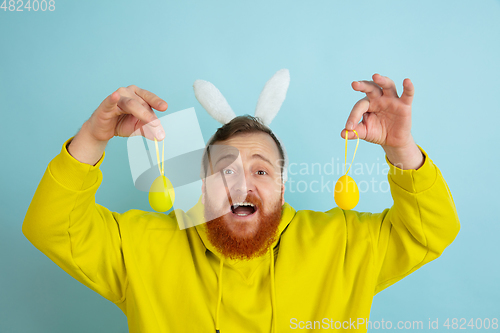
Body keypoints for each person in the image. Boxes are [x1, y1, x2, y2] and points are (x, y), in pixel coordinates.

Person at [23, 74, 460, 333]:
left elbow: (431, 230)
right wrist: (92, 136)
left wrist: (401, 149)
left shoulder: (342, 244)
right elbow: (52, 226)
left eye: (261, 171)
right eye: (225, 169)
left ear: (283, 188)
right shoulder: (142, 247)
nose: (241, 184)